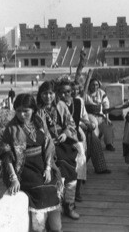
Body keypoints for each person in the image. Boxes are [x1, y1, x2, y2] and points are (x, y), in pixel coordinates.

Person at [0, 93, 63, 231]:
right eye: (18, 111)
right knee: (39, 191)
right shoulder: (11, 128)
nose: (22, 114)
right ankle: (38, 228)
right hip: (23, 168)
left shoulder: (39, 122)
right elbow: (6, 155)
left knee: (52, 187)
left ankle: (56, 228)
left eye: (26, 111)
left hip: (42, 164)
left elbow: (48, 144)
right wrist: (14, 178)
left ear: (33, 109)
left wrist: (47, 168)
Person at [37, 81, 80, 220]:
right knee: (57, 170)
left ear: (54, 94)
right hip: (47, 145)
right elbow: (37, 131)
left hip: (63, 142)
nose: (48, 97)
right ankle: (58, 207)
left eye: (50, 93)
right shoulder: (38, 110)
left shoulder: (61, 105)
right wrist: (48, 139)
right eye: (45, 93)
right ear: (40, 95)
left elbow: (71, 123)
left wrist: (65, 134)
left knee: (70, 171)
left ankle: (70, 205)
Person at [71, 82, 111, 175]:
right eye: (71, 90)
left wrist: (89, 124)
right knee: (85, 140)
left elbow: (84, 116)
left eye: (76, 89)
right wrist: (81, 124)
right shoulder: (64, 102)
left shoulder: (80, 100)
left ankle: (100, 168)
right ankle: (80, 169)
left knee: (95, 140)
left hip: (83, 124)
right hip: (73, 127)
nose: (74, 91)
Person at [84, 78, 116, 151]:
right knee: (94, 125)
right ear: (89, 85)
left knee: (108, 125)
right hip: (89, 115)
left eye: (96, 85)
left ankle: (109, 144)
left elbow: (106, 106)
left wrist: (107, 118)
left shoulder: (101, 93)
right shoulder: (85, 93)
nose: (95, 87)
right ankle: (95, 144)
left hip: (100, 115)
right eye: (93, 85)